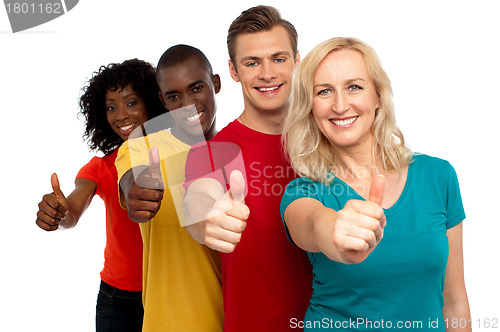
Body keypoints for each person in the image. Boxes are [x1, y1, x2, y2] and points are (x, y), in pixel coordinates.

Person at [280, 37, 471, 331]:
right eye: (324, 91)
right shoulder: (305, 191)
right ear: (310, 106)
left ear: (378, 96)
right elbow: (312, 224)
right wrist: (335, 232)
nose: (340, 105)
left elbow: (455, 301)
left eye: (354, 87)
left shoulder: (438, 176)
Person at [183, 6, 312, 332]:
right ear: (233, 70)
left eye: (278, 59)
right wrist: (207, 219)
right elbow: (198, 200)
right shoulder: (211, 152)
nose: (267, 73)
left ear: (297, 60)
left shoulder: (328, 140)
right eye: (252, 63)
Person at [35, 59, 166, 331]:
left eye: (131, 103)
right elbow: (73, 209)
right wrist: (60, 212)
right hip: (119, 298)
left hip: (169, 293)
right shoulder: (101, 167)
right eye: (110, 107)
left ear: (153, 103)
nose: (121, 115)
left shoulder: (176, 156)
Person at [115, 45, 224, 331]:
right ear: (163, 101)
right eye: (174, 96)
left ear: (216, 84)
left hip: (241, 319)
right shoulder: (143, 146)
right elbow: (131, 182)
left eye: (196, 88)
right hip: (172, 323)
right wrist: (136, 193)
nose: (187, 104)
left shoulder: (239, 149)